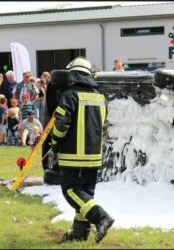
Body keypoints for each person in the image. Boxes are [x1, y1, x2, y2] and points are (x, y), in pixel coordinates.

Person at [51, 57, 114, 243]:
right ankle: (80, 235)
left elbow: (61, 124)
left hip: (73, 156)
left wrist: (55, 142)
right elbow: (104, 127)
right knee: (85, 196)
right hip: (94, 156)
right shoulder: (100, 97)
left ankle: (101, 217)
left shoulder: (70, 95)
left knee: (71, 191)